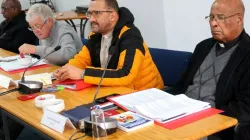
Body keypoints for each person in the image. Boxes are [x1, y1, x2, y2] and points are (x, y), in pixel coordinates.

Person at [166, 0, 250, 139]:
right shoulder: (202, 47)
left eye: (221, 17)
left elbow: (245, 107)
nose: (213, 23)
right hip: (179, 116)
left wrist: (207, 116)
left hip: (213, 125)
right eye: (211, 17)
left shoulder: (247, 54)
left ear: (239, 19)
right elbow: (181, 86)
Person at [53, 0, 164, 90]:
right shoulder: (96, 35)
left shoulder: (131, 37)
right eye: (90, 13)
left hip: (146, 95)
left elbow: (125, 75)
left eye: (97, 13)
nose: (91, 19)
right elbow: (81, 60)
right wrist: (66, 69)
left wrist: (83, 74)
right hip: (116, 92)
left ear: (112, 16)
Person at [18, 4, 83, 66]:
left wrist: (36, 49)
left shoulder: (63, 29)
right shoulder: (43, 32)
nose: (35, 31)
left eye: (37, 26)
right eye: (32, 27)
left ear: (49, 22)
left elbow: (68, 55)